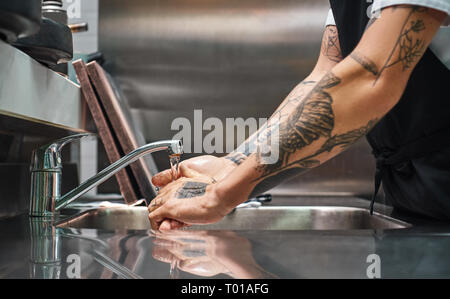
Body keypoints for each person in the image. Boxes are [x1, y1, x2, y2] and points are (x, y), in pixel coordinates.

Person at [148, 1, 450, 230]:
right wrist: (231, 165)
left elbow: (369, 78)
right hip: (416, 195)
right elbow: (327, 77)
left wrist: (223, 195)